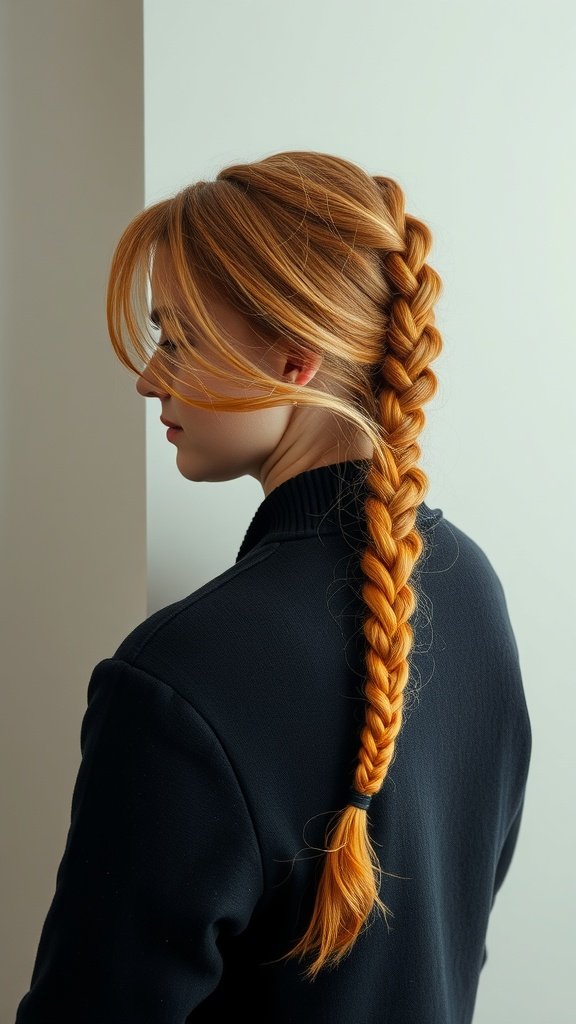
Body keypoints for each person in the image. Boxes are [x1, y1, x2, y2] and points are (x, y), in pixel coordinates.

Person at [15, 151, 531, 1023]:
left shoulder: (179, 678)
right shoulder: (474, 590)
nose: (150, 378)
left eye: (176, 337)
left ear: (294, 359)